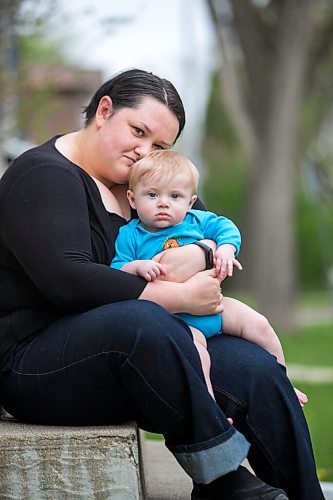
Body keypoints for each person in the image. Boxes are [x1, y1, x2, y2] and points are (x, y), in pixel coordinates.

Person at [0, 68, 323, 500]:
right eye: (138, 131)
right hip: (36, 364)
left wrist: (204, 255)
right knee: (141, 319)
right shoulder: (43, 174)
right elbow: (68, 280)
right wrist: (179, 295)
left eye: (160, 146)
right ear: (104, 109)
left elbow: (203, 234)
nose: (144, 151)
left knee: (255, 371)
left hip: (145, 351)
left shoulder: (150, 183)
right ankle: (221, 480)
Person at [111, 149, 308, 408]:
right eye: (152, 194)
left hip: (216, 307)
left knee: (259, 324)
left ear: (190, 202)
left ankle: (283, 382)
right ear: (132, 199)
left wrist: (226, 247)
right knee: (197, 356)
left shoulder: (197, 220)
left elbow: (226, 228)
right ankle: (210, 410)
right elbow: (116, 270)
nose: (163, 203)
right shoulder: (131, 235)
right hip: (179, 320)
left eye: (175, 196)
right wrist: (137, 266)